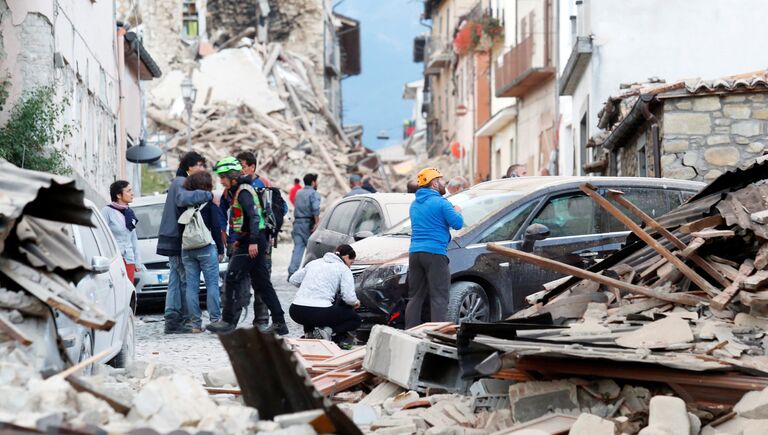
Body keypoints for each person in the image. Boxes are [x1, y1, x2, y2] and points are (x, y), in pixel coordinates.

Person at [207, 158, 288, 335]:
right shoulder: (239, 190)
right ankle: (280, 322)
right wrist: (241, 239)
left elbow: (253, 217)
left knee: (232, 278)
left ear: (232, 177)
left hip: (252, 242)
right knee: (262, 284)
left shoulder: (243, 192)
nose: (221, 181)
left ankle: (227, 321)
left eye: (223, 177)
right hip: (249, 240)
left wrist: (251, 241)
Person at [157, 152, 213, 334]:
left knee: (175, 278)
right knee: (183, 281)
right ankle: (183, 320)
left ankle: (172, 319)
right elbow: (183, 199)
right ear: (190, 167)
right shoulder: (181, 182)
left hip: (171, 238)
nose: (202, 169)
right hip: (176, 238)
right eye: (200, 165)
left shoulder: (177, 182)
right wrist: (208, 195)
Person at [405, 168, 464, 328]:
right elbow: (457, 223)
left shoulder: (414, 204)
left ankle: (410, 332)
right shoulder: (441, 203)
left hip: (415, 253)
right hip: (435, 253)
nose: (444, 183)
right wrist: (457, 211)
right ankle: (438, 333)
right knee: (439, 297)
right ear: (434, 183)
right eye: (441, 180)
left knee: (415, 297)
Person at [289, 244, 361, 348]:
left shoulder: (314, 263)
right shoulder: (343, 269)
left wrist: (310, 284)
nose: (350, 266)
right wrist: (356, 302)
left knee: (311, 308)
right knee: (355, 319)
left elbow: (293, 279)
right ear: (346, 257)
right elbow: (348, 298)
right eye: (351, 262)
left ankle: (310, 333)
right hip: (319, 312)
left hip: (296, 311)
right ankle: (328, 331)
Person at [181, 172, 224, 333]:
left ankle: (195, 325)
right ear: (207, 186)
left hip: (187, 249)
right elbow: (216, 227)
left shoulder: (184, 204)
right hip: (206, 247)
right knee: (212, 284)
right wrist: (220, 249)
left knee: (191, 287)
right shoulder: (210, 205)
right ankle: (215, 320)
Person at [102, 181, 142, 283]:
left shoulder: (129, 213)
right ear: (119, 195)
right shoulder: (107, 211)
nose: (132, 193)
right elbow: (101, 235)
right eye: (128, 191)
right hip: (114, 259)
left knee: (129, 293)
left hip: (129, 259)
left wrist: (138, 261)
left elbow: (133, 239)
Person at [288, 173, 321, 277]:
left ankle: (292, 272)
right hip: (308, 224)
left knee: (298, 248)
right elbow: (315, 209)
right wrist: (317, 223)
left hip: (297, 223)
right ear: (313, 182)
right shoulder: (314, 193)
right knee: (312, 250)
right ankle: (310, 273)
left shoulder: (298, 192)